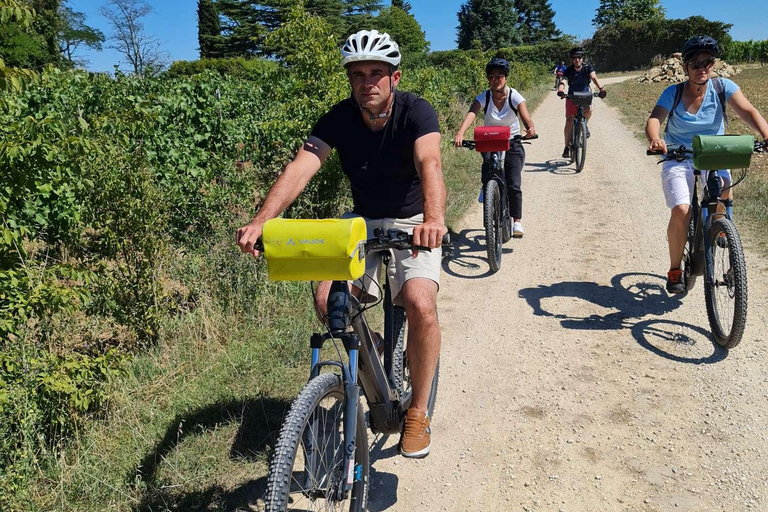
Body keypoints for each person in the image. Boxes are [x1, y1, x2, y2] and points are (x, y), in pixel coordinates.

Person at [236, 29, 447, 458]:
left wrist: (434, 219)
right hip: (362, 222)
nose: (367, 82)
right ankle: (378, 350)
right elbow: (302, 167)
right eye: (357, 74)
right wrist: (262, 220)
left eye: (376, 73)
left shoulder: (417, 112)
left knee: (420, 302)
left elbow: (430, 161)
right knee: (326, 297)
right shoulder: (338, 118)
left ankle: (418, 412)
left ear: (395, 77)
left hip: (413, 220)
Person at [645, 35, 768, 293]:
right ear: (685, 67)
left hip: (713, 153)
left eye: (707, 62)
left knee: (724, 185)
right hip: (679, 155)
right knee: (681, 209)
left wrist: (766, 135)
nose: (702, 68)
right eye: (695, 63)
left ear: (713, 64)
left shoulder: (724, 87)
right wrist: (656, 139)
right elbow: (655, 119)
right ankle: (676, 268)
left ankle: (724, 234)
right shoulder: (674, 92)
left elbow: (748, 112)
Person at [453, 58, 537, 238]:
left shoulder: (515, 96)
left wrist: (530, 127)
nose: (495, 80)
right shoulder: (485, 97)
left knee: (513, 183)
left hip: (511, 141)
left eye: (499, 76)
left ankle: (517, 222)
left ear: (506, 78)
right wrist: (460, 133)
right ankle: (488, 190)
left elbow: (525, 115)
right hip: (490, 141)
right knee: (488, 171)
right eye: (491, 77)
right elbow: (471, 113)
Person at [557, 47, 606, 158]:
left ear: (582, 58)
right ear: (571, 59)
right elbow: (563, 80)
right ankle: (566, 147)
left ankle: (585, 125)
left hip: (585, 95)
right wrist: (560, 90)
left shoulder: (588, 67)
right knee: (569, 119)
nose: (577, 60)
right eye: (574, 58)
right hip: (571, 96)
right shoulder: (568, 70)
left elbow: (594, 77)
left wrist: (601, 89)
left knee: (588, 110)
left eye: (579, 57)